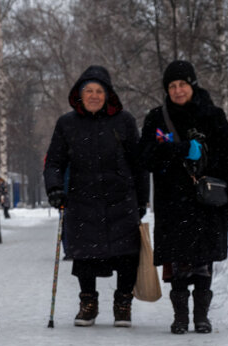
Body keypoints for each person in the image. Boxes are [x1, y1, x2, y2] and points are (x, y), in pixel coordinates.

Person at [138, 60, 228, 333]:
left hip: (207, 201)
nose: (178, 90)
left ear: (192, 85)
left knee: (203, 261)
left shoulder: (213, 116)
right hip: (172, 202)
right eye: (172, 86)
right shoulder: (157, 118)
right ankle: (181, 317)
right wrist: (180, 149)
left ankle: (202, 317)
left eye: (182, 84)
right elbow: (145, 157)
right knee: (178, 261)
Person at [43, 65, 149, 327]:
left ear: (108, 94)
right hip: (82, 200)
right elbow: (54, 162)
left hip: (121, 199)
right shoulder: (67, 124)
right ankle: (88, 303)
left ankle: (123, 303)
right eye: (88, 90)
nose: (93, 95)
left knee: (127, 254)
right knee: (84, 255)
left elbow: (139, 164)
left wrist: (142, 199)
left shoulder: (124, 121)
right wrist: (55, 188)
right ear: (79, 94)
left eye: (99, 91)